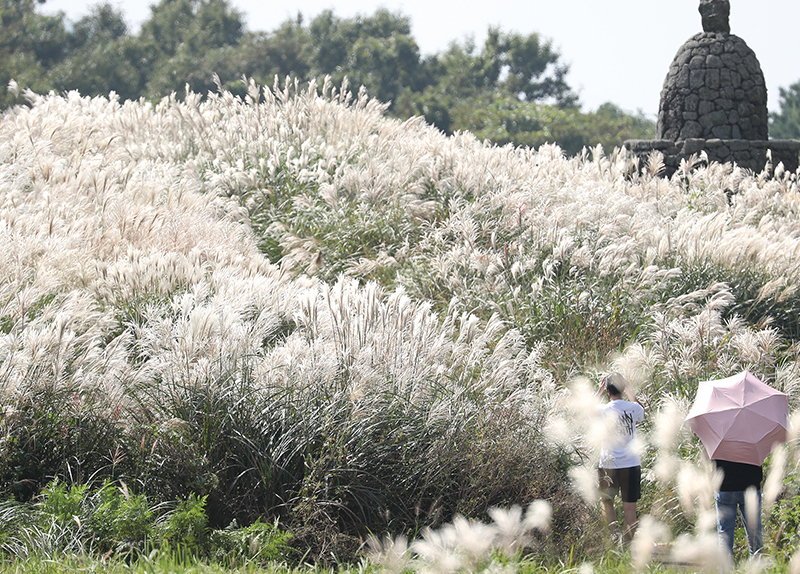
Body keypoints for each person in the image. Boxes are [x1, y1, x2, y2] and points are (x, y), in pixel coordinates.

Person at [596, 372, 645, 544]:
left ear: (608, 391)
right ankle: (628, 543)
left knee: (607, 501)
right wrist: (630, 391)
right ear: (623, 390)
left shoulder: (603, 410)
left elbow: (587, 410)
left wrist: (599, 390)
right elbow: (642, 411)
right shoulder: (632, 408)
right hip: (631, 463)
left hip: (609, 463)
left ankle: (613, 534)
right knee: (630, 506)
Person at [712, 459, 763, 559]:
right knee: (755, 534)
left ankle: (726, 570)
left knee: (724, 535)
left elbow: (711, 456)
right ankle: (758, 569)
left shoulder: (720, 442)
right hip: (751, 486)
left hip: (725, 486)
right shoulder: (753, 442)